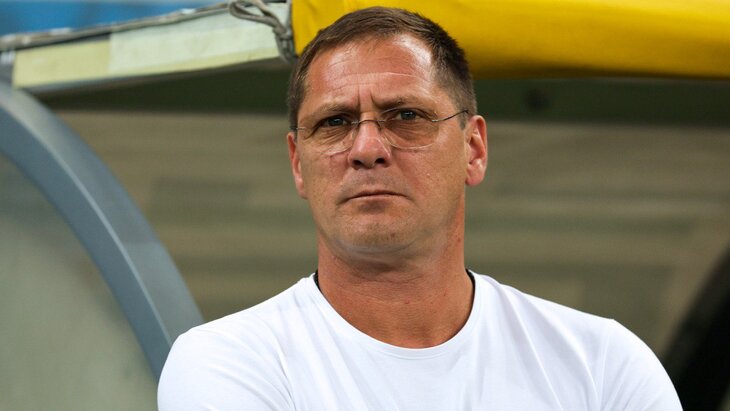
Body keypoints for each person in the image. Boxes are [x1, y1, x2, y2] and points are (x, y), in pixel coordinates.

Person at [158, 7, 681, 410]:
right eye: (334, 123)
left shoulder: (602, 363)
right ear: (298, 163)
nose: (367, 148)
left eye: (406, 116)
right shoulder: (229, 362)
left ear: (473, 148)